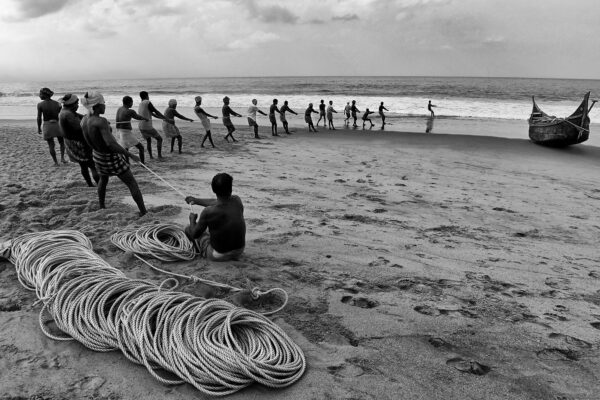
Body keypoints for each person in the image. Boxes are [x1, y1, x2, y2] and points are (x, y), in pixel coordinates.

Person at [81, 91, 147, 217]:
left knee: (103, 179)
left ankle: (101, 205)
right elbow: (111, 144)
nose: (105, 106)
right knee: (132, 183)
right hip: (108, 157)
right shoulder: (101, 121)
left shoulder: (84, 120)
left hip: (97, 155)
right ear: (97, 106)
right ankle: (143, 212)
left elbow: (90, 139)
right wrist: (131, 155)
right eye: (103, 103)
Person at [184, 173, 245, 261]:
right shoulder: (237, 200)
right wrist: (196, 200)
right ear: (231, 189)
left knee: (189, 229)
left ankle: (198, 251)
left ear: (213, 190)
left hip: (217, 255)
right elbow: (217, 202)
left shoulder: (208, 212)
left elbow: (194, 234)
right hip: (239, 251)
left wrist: (192, 220)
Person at [58, 94, 99, 187]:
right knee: (92, 165)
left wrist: (91, 116)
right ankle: (99, 184)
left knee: (83, 165)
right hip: (78, 143)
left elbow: (82, 116)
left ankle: (90, 184)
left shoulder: (65, 111)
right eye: (76, 104)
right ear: (72, 104)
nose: (78, 106)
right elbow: (80, 128)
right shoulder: (68, 114)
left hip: (70, 141)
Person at [37, 87, 66, 165]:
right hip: (57, 124)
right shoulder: (57, 104)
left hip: (47, 125)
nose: (39, 95)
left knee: (51, 144)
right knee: (62, 142)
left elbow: (39, 117)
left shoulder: (40, 105)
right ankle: (63, 158)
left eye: (40, 94)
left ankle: (56, 162)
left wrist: (39, 127)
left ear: (44, 95)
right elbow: (60, 113)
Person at [116, 96, 148, 164]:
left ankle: (127, 163)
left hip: (119, 131)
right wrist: (145, 118)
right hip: (126, 133)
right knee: (141, 147)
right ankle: (142, 163)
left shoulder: (119, 109)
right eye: (132, 102)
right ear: (129, 102)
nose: (132, 104)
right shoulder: (130, 111)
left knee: (125, 148)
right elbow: (138, 117)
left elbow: (118, 121)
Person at [138, 91, 166, 159]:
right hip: (147, 126)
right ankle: (159, 155)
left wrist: (162, 118)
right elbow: (156, 111)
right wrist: (166, 118)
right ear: (147, 96)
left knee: (148, 141)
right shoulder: (147, 102)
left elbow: (152, 114)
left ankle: (151, 156)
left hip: (141, 126)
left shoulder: (141, 104)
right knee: (159, 139)